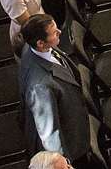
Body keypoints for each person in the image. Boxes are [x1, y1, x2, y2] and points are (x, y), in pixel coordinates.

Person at [17, 13, 91, 165]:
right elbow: (50, 134)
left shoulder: (35, 49)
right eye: (54, 33)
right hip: (71, 141)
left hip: (72, 114)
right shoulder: (40, 86)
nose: (60, 33)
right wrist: (65, 164)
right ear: (40, 43)